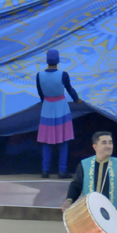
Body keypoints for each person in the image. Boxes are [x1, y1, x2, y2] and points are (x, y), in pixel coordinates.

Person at [36, 49, 80, 177]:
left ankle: (45, 170)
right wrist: (77, 99)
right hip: (61, 107)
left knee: (47, 140)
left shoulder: (39, 75)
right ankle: (62, 170)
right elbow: (70, 89)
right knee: (63, 139)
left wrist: (46, 101)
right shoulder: (63, 74)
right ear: (58, 60)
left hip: (47, 107)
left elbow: (40, 93)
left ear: (47, 60)